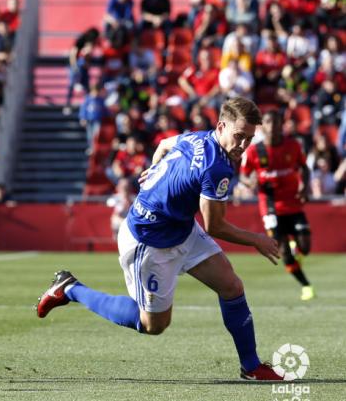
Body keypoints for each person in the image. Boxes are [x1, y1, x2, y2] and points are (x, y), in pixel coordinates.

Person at [37, 97, 284, 381]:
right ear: (221, 126)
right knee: (153, 325)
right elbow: (215, 226)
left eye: (249, 139)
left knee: (231, 285)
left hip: (179, 228)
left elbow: (165, 144)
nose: (243, 145)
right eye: (239, 136)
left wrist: (155, 168)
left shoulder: (198, 138)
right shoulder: (218, 167)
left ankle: (251, 366)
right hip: (149, 241)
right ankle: (70, 289)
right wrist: (256, 239)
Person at [240, 111, 315, 301]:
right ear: (262, 126)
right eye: (268, 122)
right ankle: (306, 286)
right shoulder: (254, 151)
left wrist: (305, 187)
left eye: (276, 122)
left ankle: (297, 248)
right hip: (270, 207)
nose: (272, 126)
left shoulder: (293, 145)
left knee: (305, 248)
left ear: (282, 124)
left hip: (293, 204)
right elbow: (243, 175)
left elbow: (304, 167)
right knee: (283, 252)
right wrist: (250, 183)